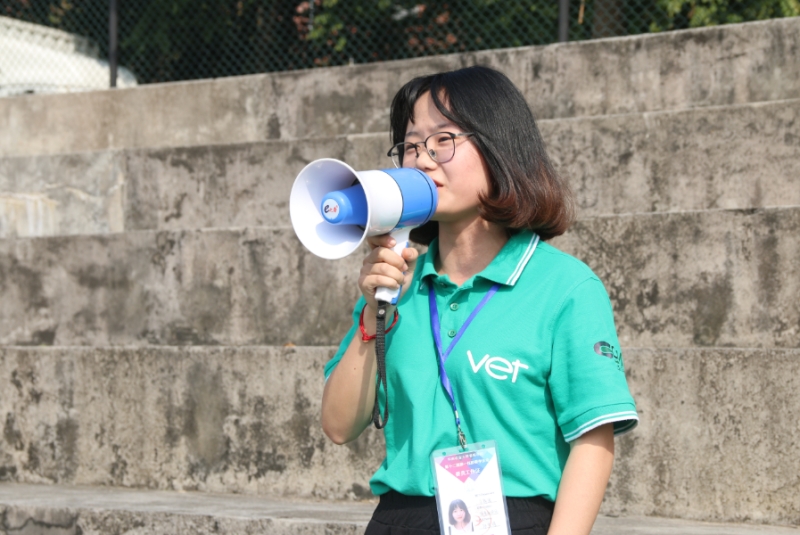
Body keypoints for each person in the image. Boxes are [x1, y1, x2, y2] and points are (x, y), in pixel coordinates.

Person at [320, 65, 638, 535]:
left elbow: (593, 441)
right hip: (400, 518)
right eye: (410, 145)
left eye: (442, 140)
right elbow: (339, 426)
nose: (422, 160)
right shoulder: (398, 285)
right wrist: (373, 312)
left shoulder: (565, 287)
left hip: (516, 518)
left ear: (499, 146)